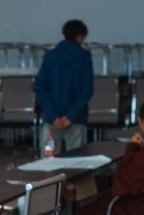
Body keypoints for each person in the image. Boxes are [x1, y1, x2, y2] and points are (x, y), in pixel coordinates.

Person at [34, 19, 94, 156]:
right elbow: (86, 91)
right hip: (76, 119)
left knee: (47, 162)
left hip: (51, 121)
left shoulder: (49, 57)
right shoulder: (84, 58)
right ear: (79, 37)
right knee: (76, 161)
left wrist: (53, 116)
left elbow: (40, 88)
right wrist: (70, 116)